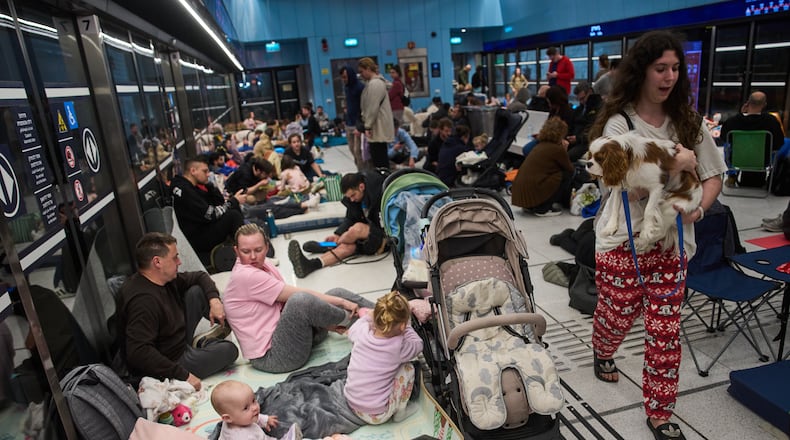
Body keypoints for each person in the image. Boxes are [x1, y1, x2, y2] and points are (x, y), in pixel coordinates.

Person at [587, 30, 727, 440]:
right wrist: (680, 162)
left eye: (675, 69)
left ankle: (661, 412)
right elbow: (628, 185)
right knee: (617, 315)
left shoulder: (687, 120)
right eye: (659, 68)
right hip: (623, 242)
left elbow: (713, 174)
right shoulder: (620, 123)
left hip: (671, 244)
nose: (669, 77)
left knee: (665, 331)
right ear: (642, 71)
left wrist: (698, 209)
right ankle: (603, 346)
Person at [224, 224, 374, 372]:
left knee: (335, 293)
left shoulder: (264, 265)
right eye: (245, 251)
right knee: (302, 300)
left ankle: (383, 311)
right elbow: (298, 297)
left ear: (267, 247)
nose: (252, 257)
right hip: (275, 357)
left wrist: (327, 315)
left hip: (293, 336)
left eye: (258, 250)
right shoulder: (245, 275)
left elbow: (287, 303)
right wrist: (342, 304)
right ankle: (367, 321)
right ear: (236, 251)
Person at [117, 232, 238, 390]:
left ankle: (230, 334)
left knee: (197, 291)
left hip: (174, 336)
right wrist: (184, 375)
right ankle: (204, 344)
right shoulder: (143, 301)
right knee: (229, 350)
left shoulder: (164, 278)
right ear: (157, 262)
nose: (179, 262)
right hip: (170, 361)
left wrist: (214, 300)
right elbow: (139, 352)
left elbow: (200, 276)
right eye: (174, 258)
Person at [287, 171, 387, 278]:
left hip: (384, 235)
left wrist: (347, 236)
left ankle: (330, 245)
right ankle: (311, 264)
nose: (352, 199)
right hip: (369, 237)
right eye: (349, 197)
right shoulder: (355, 200)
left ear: (361, 187)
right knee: (347, 247)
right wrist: (338, 234)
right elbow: (350, 218)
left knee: (356, 229)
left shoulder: (380, 195)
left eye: (353, 195)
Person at [344, 292, 423, 424]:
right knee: (408, 368)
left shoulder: (362, 331)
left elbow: (352, 330)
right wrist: (408, 326)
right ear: (402, 325)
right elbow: (418, 344)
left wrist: (370, 316)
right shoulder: (399, 347)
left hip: (351, 402)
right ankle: (400, 413)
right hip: (377, 414)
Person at [171, 157, 245, 257]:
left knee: (232, 209)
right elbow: (211, 214)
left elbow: (219, 203)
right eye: (205, 171)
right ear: (193, 171)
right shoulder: (185, 190)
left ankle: (243, 247)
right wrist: (233, 202)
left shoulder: (191, 186)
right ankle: (246, 251)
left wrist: (210, 186)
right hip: (197, 238)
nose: (208, 174)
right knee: (233, 216)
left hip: (203, 228)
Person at [720, 90, 785, 187]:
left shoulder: (733, 121)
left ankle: (732, 175)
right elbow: (778, 143)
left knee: (727, 146)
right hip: (763, 160)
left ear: (748, 103)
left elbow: (723, 137)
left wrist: (741, 114)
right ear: (764, 104)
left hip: (736, 159)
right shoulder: (771, 121)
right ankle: (774, 176)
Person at [511, 117, 573, 216]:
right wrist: (565, 149)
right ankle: (543, 208)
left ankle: (531, 206)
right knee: (566, 175)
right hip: (532, 190)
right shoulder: (557, 149)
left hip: (520, 193)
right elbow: (569, 168)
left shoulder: (539, 145)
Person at [211, 379, 303, 440]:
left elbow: (255, 417)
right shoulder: (240, 437)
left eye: (254, 400)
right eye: (246, 408)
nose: (255, 407)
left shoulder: (238, 419)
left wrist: (265, 420)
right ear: (227, 418)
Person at [358, 57, 395, 169]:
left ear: (368, 68)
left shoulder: (375, 84)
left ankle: (383, 182)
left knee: (380, 161)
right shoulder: (376, 82)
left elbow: (372, 107)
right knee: (379, 160)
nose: (361, 75)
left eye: (362, 71)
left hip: (378, 128)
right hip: (377, 127)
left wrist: (367, 126)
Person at [567, 81, 603, 162]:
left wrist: (578, 138)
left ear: (590, 92)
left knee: (568, 156)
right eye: (579, 99)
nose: (581, 102)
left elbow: (594, 129)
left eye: (583, 98)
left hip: (586, 141)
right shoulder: (580, 109)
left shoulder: (599, 108)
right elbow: (571, 125)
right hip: (578, 139)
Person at [340, 65, 367, 170]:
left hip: (358, 123)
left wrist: (360, 125)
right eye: (342, 77)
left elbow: (364, 106)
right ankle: (359, 168)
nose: (344, 80)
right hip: (349, 123)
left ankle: (362, 172)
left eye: (345, 77)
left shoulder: (360, 87)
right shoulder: (346, 87)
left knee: (358, 151)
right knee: (352, 149)